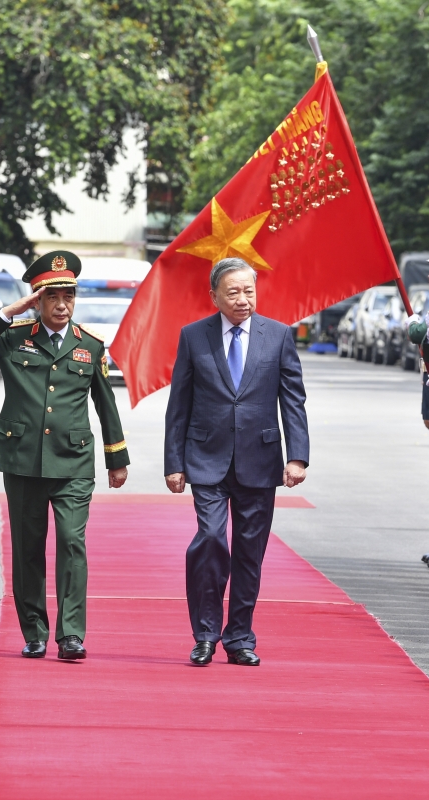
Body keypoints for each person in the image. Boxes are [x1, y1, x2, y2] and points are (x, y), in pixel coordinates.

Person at [0, 250, 130, 661]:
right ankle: (34, 630)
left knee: (72, 542)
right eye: (52, 297)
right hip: (22, 461)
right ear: (38, 299)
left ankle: (71, 635)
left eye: (68, 296)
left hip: (73, 462)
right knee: (28, 547)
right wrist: (11, 311)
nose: (62, 305)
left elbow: (106, 404)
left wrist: (116, 457)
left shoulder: (90, 346)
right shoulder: (14, 337)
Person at [164, 256, 310, 667]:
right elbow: (179, 404)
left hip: (260, 461)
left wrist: (297, 457)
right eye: (233, 292)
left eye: (249, 291)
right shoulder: (194, 337)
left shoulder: (278, 336)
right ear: (214, 297)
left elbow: (292, 400)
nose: (243, 299)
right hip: (205, 459)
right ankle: (205, 634)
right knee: (210, 540)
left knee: (250, 551)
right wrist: (173, 462)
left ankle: (240, 637)